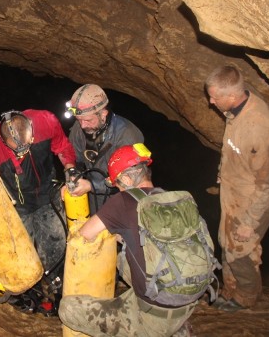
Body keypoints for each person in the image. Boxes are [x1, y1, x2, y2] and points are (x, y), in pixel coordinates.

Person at [58, 143, 197, 337]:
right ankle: (177, 324)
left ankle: (161, 330)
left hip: (154, 317)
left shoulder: (123, 202)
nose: (118, 189)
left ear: (127, 179)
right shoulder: (170, 198)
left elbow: (85, 234)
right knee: (124, 260)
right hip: (187, 298)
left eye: (118, 184)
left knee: (68, 309)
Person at [0, 109, 76, 309]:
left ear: (31, 129)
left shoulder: (46, 121)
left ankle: (59, 286)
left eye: (27, 146)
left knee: (56, 241)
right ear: (3, 140)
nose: (23, 153)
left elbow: (63, 147)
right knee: (21, 249)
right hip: (16, 203)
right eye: (17, 151)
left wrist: (71, 171)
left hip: (47, 192)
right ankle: (26, 290)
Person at [204, 64, 269, 311]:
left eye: (214, 97)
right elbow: (235, 149)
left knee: (240, 251)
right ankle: (230, 290)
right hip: (234, 192)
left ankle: (246, 297)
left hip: (252, 199)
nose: (210, 101)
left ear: (231, 96)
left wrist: (250, 222)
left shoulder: (258, 128)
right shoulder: (236, 110)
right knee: (225, 242)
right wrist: (223, 172)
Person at [63, 84, 143, 214]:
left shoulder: (128, 136)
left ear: (103, 114)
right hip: (95, 198)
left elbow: (132, 180)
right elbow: (72, 156)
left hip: (123, 200)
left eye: (88, 120)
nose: (82, 125)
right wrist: (72, 177)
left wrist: (92, 185)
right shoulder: (79, 128)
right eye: (78, 120)